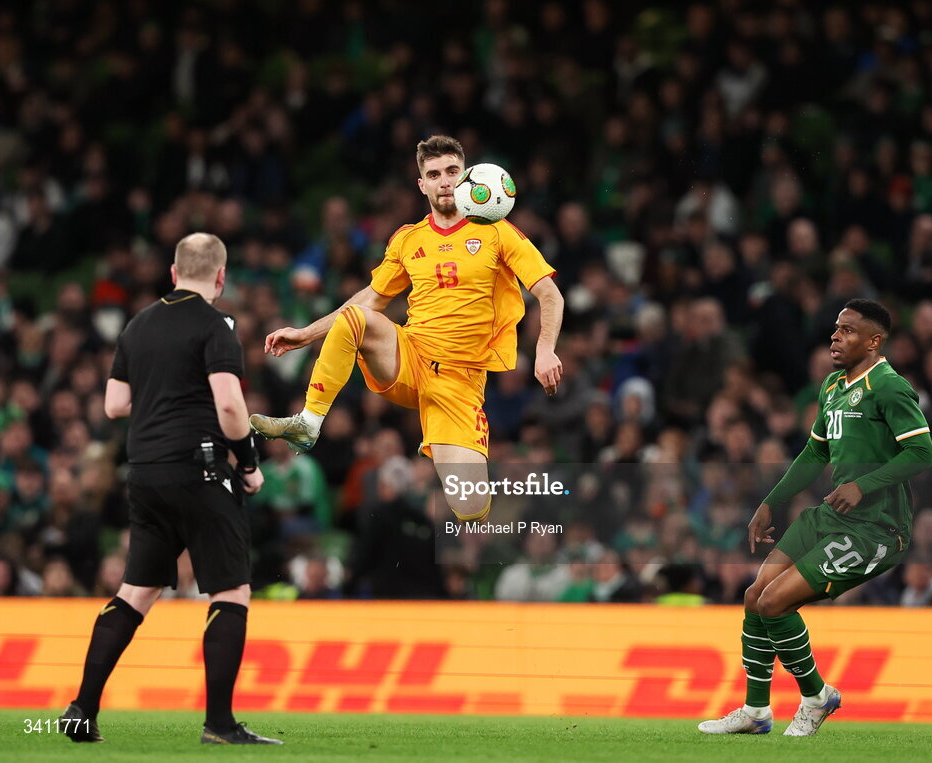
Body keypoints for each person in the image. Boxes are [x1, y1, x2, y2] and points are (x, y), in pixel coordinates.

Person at [250, 135, 564, 522]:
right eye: (434, 174)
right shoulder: (407, 239)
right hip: (410, 356)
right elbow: (369, 298)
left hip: (460, 382)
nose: (444, 181)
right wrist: (306, 334)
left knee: (471, 510)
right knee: (357, 318)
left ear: (466, 177)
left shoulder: (497, 230)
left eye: (452, 171)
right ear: (422, 184)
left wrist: (546, 348)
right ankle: (309, 422)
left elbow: (550, 295)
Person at [60, 233, 281, 746]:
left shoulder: (138, 324)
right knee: (231, 589)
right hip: (198, 469)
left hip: (144, 471)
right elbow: (229, 407)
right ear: (221, 277)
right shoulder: (217, 324)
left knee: (136, 591)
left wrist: (162, 399)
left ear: (174, 273)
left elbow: (115, 404)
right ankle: (220, 725)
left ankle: (82, 708)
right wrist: (248, 464)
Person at [699, 299, 932, 737]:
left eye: (847, 331)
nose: (835, 336)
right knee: (755, 596)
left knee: (774, 603)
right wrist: (770, 501)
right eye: (835, 329)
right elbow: (815, 452)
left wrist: (863, 485)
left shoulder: (890, 387)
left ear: (874, 341)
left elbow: (923, 453)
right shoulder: (832, 387)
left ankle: (816, 696)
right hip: (829, 516)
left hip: (876, 529)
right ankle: (755, 711)